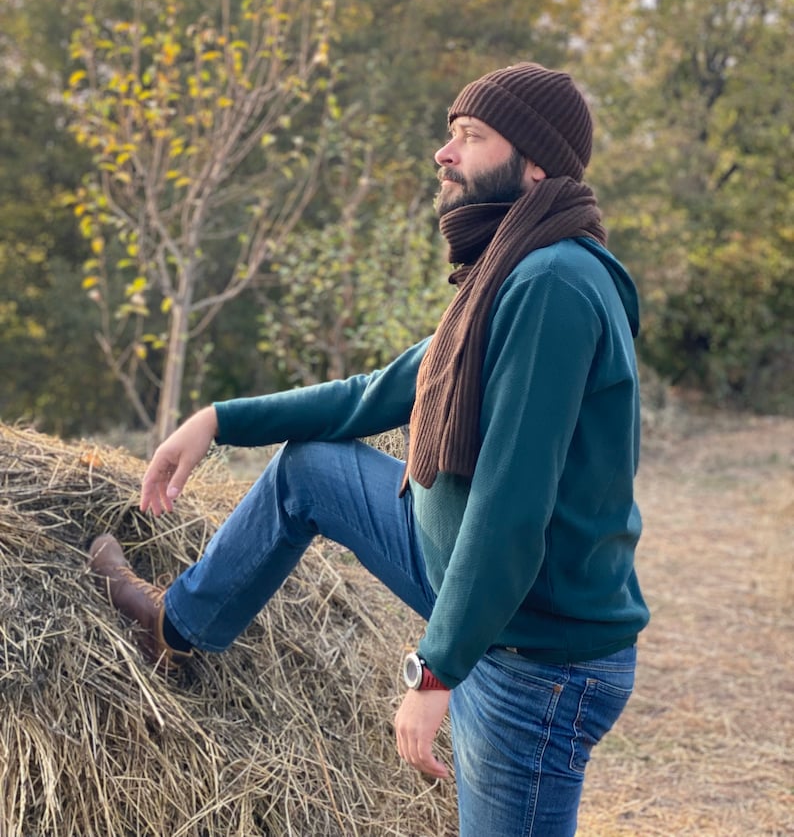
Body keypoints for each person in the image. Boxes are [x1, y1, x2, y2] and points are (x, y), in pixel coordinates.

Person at [89, 61, 649, 837]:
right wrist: (217, 418)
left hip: (533, 650)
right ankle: (173, 627)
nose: (443, 154)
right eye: (450, 134)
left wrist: (435, 669)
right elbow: (376, 392)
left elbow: (513, 505)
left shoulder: (552, 283)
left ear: (536, 163)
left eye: (470, 136)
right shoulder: (509, 271)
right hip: (471, 577)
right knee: (309, 468)